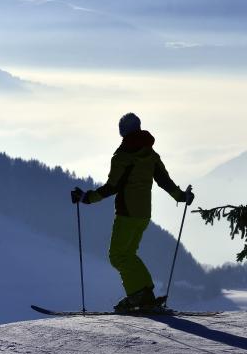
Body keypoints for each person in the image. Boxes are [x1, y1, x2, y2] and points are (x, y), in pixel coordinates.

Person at [72, 113, 195, 312]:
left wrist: (86, 198)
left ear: (122, 131)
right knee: (128, 254)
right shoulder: (151, 154)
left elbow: (112, 187)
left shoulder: (123, 156)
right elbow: (164, 181)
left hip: (127, 212)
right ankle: (145, 293)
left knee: (117, 256)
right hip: (144, 214)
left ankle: (137, 295)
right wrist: (182, 197)